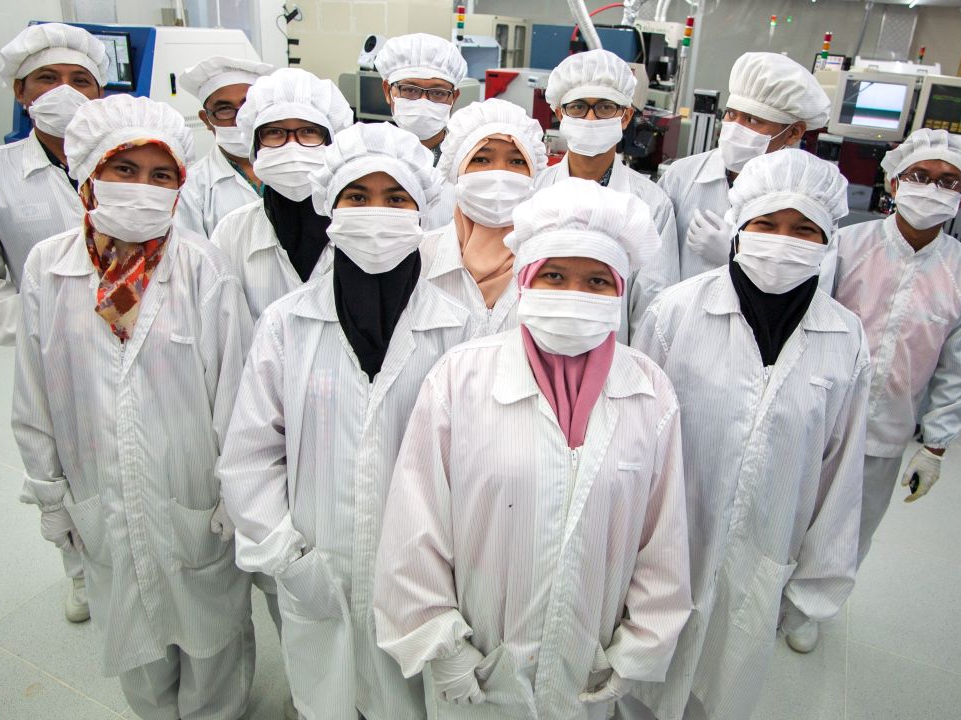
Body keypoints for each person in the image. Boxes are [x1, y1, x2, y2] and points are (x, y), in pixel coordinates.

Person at [374, 179, 691, 720]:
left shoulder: (649, 388)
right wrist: (438, 642)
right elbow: (415, 522)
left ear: (619, 292)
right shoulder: (460, 378)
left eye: (596, 281)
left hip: (586, 663)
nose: (574, 294)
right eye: (555, 276)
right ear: (525, 280)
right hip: (477, 662)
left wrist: (638, 647)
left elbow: (663, 539)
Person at [217, 121, 471, 720]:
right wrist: (286, 556)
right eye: (358, 197)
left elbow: (480, 468)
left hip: (423, 581)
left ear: (421, 212)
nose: (375, 214)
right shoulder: (286, 323)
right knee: (325, 704)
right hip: (316, 565)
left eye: (395, 199)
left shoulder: (463, 328)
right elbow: (251, 453)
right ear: (331, 207)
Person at [12, 94, 255, 720]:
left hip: (192, 498)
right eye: (125, 170)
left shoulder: (204, 269)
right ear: (89, 173)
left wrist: (236, 493)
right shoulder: (48, 268)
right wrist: (48, 492)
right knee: (133, 633)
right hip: (103, 492)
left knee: (212, 638)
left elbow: (235, 397)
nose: (142, 189)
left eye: (161, 175)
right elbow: (33, 393)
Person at [627, 150, 869, 719]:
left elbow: (841, 471)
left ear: (828, 237)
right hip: (664, 550)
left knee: (723, 687)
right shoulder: (675, 314)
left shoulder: (845, 337)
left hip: (762, 555)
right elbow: (630, 438)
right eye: (766, 224)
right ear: (739, 226)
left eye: (803, 228)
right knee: (637, 686)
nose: (783, 240)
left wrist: (813, 585)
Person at [0, 21, 108, 624]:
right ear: (21, 92)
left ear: (100, 91)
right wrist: (34, 331)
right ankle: (81, 571)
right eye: (48, 79)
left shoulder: (129, 157)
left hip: (142, 333)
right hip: (53, 355)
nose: (66, 90)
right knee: (64, 460)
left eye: (80, 80)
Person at [833, 128, 961, 567]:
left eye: (948, 181)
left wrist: (935, 447)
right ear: (894, 182)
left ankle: (812, 606)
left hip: (887, 431)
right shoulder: (846, 247)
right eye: (919, 174)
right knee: (797, 515)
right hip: (822, 416)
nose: (932, 188)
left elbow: (958, 366)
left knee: (855, 527)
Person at [534, 49, 679, 339]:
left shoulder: (652, 204)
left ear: (625, 116)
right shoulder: (534, 191)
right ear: (559, 113)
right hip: (536, 347)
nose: (590, 118)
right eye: (577, 107)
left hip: (614, 358)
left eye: (604, 107)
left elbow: (653, 307)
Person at [658, 52, 832, 283]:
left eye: (752, 120)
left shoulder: (813, 195)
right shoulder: (683, 175)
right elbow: (654, 268)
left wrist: (733, 257)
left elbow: (814, 283)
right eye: (731, 114)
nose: (735, 127)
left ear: (793, 132)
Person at [209, 68, 354, 321]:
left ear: (332, 144)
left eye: (308, 131)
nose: (292, 146)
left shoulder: (359, 227)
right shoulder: (232, 233)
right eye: (274, 132)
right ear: (255, 146)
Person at [421, 98, 548, 337]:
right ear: (457, 170)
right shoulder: (419, 258)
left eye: (516, 161)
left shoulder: (551, 264)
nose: (499, 173)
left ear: (533, 174)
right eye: (481, 159)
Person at [375, 33, 468, 229]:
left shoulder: (468, 161)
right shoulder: (367, 153)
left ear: (454, 98)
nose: (423, 102)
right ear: (387, 91)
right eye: (410, 89)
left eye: (438, 93)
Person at [174, 55, 275, 237]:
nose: (240, 118)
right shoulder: (191, 188)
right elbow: (194, 257)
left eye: (248, 106)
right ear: (206, 120)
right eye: (224, 109)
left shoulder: (293, 165)